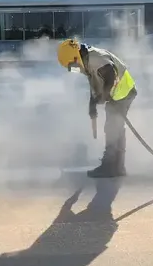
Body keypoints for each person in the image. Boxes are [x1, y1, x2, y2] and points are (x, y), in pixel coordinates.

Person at [57, 39, 137, 178]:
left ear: (75, 58)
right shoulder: (86, 60)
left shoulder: (94, 59)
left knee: (112, 128)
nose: (73, 70)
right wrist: (92, 104)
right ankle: (118, 167)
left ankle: (110, 166)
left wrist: (104, 96)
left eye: (71, 67)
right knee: (115, 127)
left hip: (122, 92)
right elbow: (95, 82)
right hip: (118, 94)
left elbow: (111, 75)